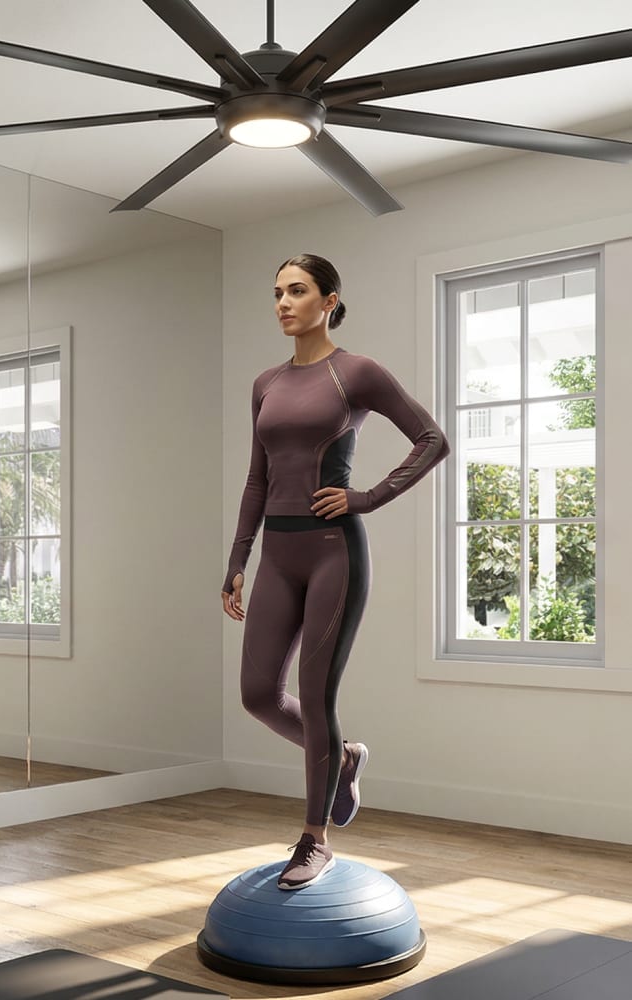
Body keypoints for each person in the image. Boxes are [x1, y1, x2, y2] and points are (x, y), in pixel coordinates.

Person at [221, 253, 449, 891]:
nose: (283, 304)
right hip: (278, 555)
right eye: (276, 293)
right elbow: (257, 477)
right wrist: (238, 559)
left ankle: (313, 840)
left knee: (318, 697)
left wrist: (367, 497)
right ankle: (345, 758)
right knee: (258, 694)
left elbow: (432, 438)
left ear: (329, 300)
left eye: (297, 291)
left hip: (333, 554)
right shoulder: (265, 382)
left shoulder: (358, 373)